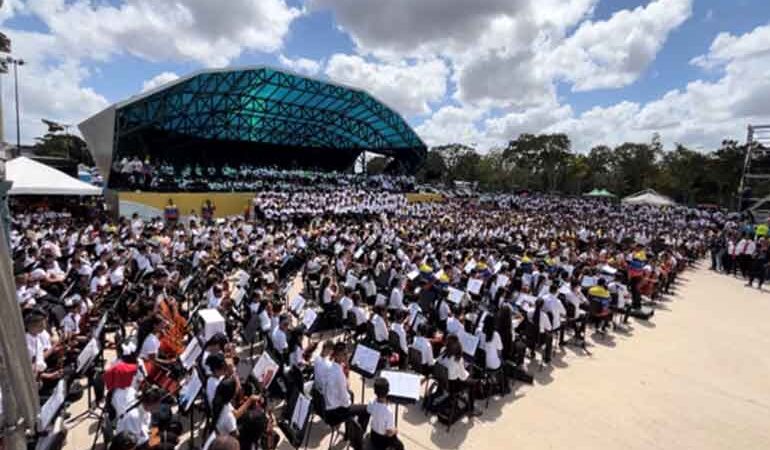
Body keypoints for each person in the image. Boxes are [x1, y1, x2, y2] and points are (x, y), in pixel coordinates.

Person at [322, 342, 370, 429]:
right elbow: (345, 402)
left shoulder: (330, 366)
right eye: (344, 354)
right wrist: (354, 405)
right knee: (366, 409)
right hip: (334, 412)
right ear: (337, 356)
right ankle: (357, 434)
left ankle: (349, 429)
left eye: (347, 353)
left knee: (351, 394)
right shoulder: (339, 374)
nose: (347, 356)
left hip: (329, 404)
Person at [367, 378, 404, 450]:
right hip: (382, 441)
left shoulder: (371, 402)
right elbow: (389, 433)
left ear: (375, 391)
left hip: (373, 435)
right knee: (400, 446)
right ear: (387, 392)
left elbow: (368, 410)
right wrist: (395, 430)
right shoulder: (388, 411)